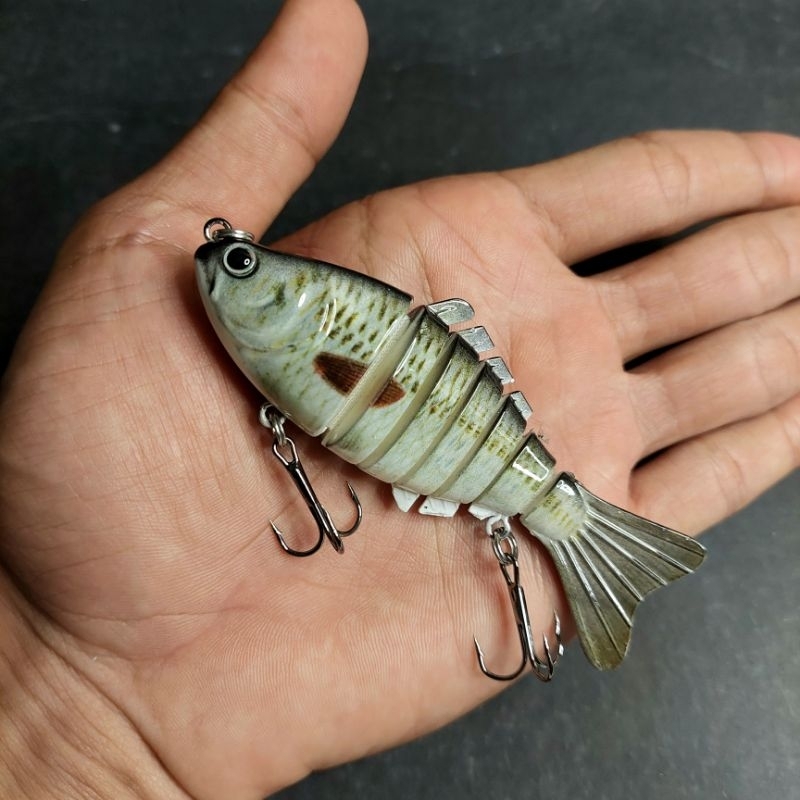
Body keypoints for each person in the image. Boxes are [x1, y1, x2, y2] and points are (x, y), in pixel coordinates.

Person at [0, 0, 798, 796]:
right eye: (237, 261)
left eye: (239, 262)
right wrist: (91, 710)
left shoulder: (295, 317)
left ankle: (565, 518)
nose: (222, 267)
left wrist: (84, 728)